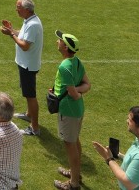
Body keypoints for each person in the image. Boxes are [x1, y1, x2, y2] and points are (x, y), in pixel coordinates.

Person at [91, 106, 139, 190]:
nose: (127, 121)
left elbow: (128, 183)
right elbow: (137, 162)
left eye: (130, 120)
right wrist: (119, 155)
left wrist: (109, 159)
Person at [52, 30, 91, 190]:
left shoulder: (65, 66)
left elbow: (74, 94)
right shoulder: (76, 62)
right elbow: (87, 84)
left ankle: (74, 183)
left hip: (69, 111)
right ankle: (75, 173)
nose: (58, 41)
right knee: (75, 141)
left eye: (60, 40)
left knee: (70, 144)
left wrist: (76, 93)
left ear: (66, 47)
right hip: (77, 110)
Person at [0, 0, 44, 137]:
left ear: (26, 9)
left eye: (18, 7)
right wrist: (12, 30)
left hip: (28, 66)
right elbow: (24, 36)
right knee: (27, 93)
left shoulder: (33, 25)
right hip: (26, 64)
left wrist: (11, 34)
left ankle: (34, 128)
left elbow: (25, 46)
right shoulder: (29, 21)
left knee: (31, 96)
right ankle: (29, 114)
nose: (16, 9)